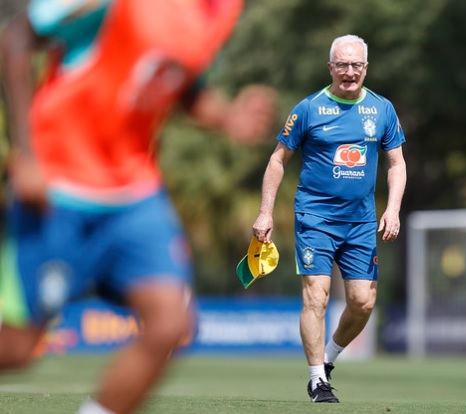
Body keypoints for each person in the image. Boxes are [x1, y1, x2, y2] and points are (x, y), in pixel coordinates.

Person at [0, 0, 277, 413]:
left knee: (171, 322)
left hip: (133, 193)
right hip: (58, 186)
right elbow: (16, 39)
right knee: (17, 349)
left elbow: (181, 83)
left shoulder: (221, 10)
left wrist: (228, 117)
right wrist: (27, 155)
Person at [252, 34, 407, 403]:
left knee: (363, 301)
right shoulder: (308, 109)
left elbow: (396, 164)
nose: (349, 72)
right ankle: (317, 380)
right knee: (316, 296)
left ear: (366, 68)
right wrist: (265, 211)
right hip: (315, 217)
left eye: (356, 65)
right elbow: (277, 160)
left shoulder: (382, 109)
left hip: (361, 222)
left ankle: (328, 359)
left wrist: (393, 208)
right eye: (342, 64)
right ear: (330, 68)